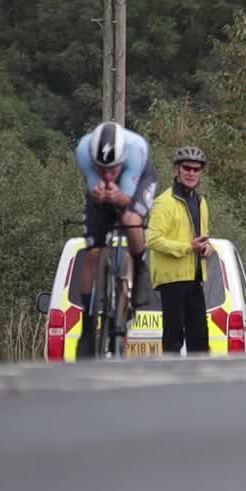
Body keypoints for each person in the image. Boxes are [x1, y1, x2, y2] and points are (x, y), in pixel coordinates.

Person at [73, 121, 158, 357]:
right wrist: (100, 194)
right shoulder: (83, 151)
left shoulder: (136, 150)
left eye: (113, 169)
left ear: (121, 161)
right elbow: (95, 193)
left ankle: (140, 268)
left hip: (138, 179)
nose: (108, 174)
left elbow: (125, 201)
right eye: (102, 168)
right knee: (92, 252)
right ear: (93, 161)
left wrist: (118, 197)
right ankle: (87, 324)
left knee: (131, 218)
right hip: (102, 191)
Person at [147, 146, 211, 355]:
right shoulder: (164, 202)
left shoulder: (201, 202)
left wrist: (207, 247)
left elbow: (202, 236)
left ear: (201, 173)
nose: (191, 173)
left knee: (200, 341)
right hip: (172, 280)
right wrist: (187, 248)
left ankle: (198, 384)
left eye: (196, 169)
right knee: (173, 339)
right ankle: (171, 382)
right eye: (187, 168)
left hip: (195, 278)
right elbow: (152, 239)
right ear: (177, 169)